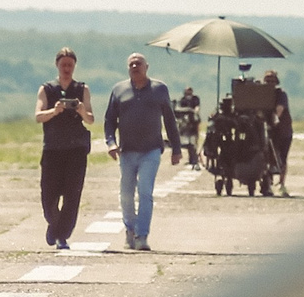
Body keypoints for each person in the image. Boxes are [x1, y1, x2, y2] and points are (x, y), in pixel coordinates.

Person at [103, 52, 182, 251]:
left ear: (147, 66)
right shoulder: (119, 90)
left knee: (145, 192)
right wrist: (111, 143)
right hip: (127, 151)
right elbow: (109, 120)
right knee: (126, 194)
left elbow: (170, 120)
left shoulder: (159, 89)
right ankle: (129, 229)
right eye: (131, 64)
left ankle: (142, 235)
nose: (135, 66)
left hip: (151, 150)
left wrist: (177, 149)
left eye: (139, 63)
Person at [34, 48, 94, 250]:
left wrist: (81, 110)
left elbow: (91, 119)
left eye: (70, 65)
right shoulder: (47, 89)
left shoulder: (82, 89)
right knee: (48, 195)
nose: (67, 68)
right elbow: (38, 116)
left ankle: (62, 235)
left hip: (75, 150)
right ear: (57, 66)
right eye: (63, 65)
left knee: (72, 195)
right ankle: (54, 224)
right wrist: (55, 110)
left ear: (74, 66)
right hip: (52, 149)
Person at [263, 68, 294, 196]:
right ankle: (268, 183)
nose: (270, 83)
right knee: (267, 157)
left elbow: (279, 110)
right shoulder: (261, 95)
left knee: (282, 158)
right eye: (267, 80)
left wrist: (274, 119)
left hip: (283, 131)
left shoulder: (281, 95)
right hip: (268, 131)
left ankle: (281, 184)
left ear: (276, 82)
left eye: (272, 80)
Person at [176, 82, 203, 169]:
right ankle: (191, 157)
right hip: (185, 123)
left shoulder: (195, 99)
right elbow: (178, 109)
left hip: (194, 122)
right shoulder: (182, 100)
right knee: (187, 141)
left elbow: (197, 107)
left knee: (194, 140)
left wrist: (194, 112)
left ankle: (195, 157)